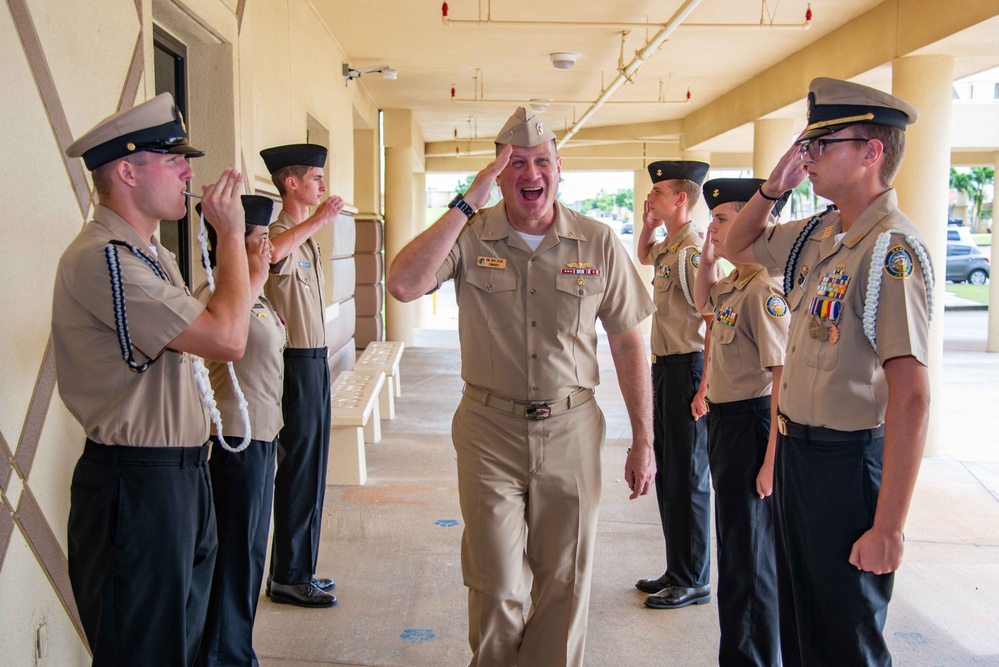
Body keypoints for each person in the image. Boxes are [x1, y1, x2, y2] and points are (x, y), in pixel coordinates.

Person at [386, 107, 656, 667]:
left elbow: (629, 343)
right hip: (489, 429)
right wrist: (465, 203)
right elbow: (404, 285)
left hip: (573, 427)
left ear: (559, 169)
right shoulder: (469, 235)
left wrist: (643, 440)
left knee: (565, 581)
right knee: (496, 583)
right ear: (499, 174)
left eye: (541, 162)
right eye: (515, 164)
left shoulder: (597, 241)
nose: (531, 174)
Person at [723, 77, 932, 666]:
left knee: (846, 639)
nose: (807, 157)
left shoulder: (890, 249)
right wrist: (772, 188)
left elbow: (911, 397)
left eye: (822, 144)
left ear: (871, 152)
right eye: (806, 145)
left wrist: (888, 527)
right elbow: (738, 247)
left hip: (847, 468)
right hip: (797, 457)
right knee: (800, 627)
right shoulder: (820, 232)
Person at [54, 92, 253, 665]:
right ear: (126, 170)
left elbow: (218, 326)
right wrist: (232, 236)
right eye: (173, 160)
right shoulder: (104, 257)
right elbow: (228, 338)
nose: (190, 172)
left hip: (180, 478)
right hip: (138, 486)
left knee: (179, 648)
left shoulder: (149, 255)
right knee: (143, 652)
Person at [692, 178, 789, 666]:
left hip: (752, 427)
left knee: (750, 559)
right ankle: (737, 655)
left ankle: (752, 658)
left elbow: (781, 381)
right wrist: (708, 260)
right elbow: (701, 304)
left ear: (759, 224)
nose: (714, 228)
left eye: (723, 219)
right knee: (733, 551)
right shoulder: (734, 284)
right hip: (726, 425)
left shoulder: (765, 291)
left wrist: (772, 461)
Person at [194, 195, 284, 666]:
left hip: (263, 437)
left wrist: (258, 277)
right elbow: (225, 341)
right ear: (230, 244)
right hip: (232, 441)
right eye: (261, 238)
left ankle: (237, 650)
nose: (270, 247)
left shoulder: (257, 292)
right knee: (232, 557)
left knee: (250, 555)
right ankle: (223, 656)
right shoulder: (217, 295)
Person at [260, 143, 344, 608]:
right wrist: (318, 219)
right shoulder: (282, 230)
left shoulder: (304, 236)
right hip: (294, 362)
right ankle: (289, 575)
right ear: (291, 184)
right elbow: (271, 253)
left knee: (312, 470)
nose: (322, 186)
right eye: (315, 178)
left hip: (313, 359)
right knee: (298, 470)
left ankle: (299, 569)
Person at [634, 160, 715, 610]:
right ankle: (677, 567)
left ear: (681, 198)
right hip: (665, 368)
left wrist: (704, 388)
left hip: (688, 369)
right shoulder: (669, 246)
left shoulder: (690, 253)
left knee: (689, 477)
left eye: (659, 192)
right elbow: (644, 255)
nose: (652, 197)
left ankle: (695, 578)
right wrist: (648, 225)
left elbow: (712, 325)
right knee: (670, 474)